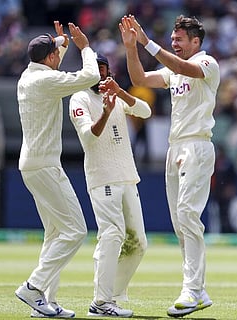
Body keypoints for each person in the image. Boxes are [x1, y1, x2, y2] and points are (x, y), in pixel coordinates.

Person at [118, 14, 220, 317]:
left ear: (195, 42)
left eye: (179, 40)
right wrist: (130, 47)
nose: (174, 43)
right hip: (175, 148)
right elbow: (139, 80)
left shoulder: (207, 63)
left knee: (188, 214)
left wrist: (146, 41)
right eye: (172, 39)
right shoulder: (172, 70)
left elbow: (181, 68)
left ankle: (191, 289)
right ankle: (198, 291)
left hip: (197, 145)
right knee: (180, 223)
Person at [14, 21, 100, 317]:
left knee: (54, 234)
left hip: (32, 164)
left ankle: (43, 303)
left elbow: (53, 58)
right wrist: (85, 46)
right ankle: (33, 286)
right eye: (56, 53)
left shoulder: (29, 75)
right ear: (49, 59)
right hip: (46, 165)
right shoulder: (46, 82)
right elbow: (89, 75)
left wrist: (62, 40)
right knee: (76, 231)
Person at [68, 54, 151, 317]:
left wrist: (121, 95)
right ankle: (101, 302)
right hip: (102, 177)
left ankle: (111, 296)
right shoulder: (79, 98)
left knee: (138, 243)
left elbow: (145, 111)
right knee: (112, 235)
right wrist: (104, 111)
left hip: (128, 175)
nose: (101, 76)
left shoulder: (116, 94)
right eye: (96, 71)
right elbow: (87, 138)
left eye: (104, 70)